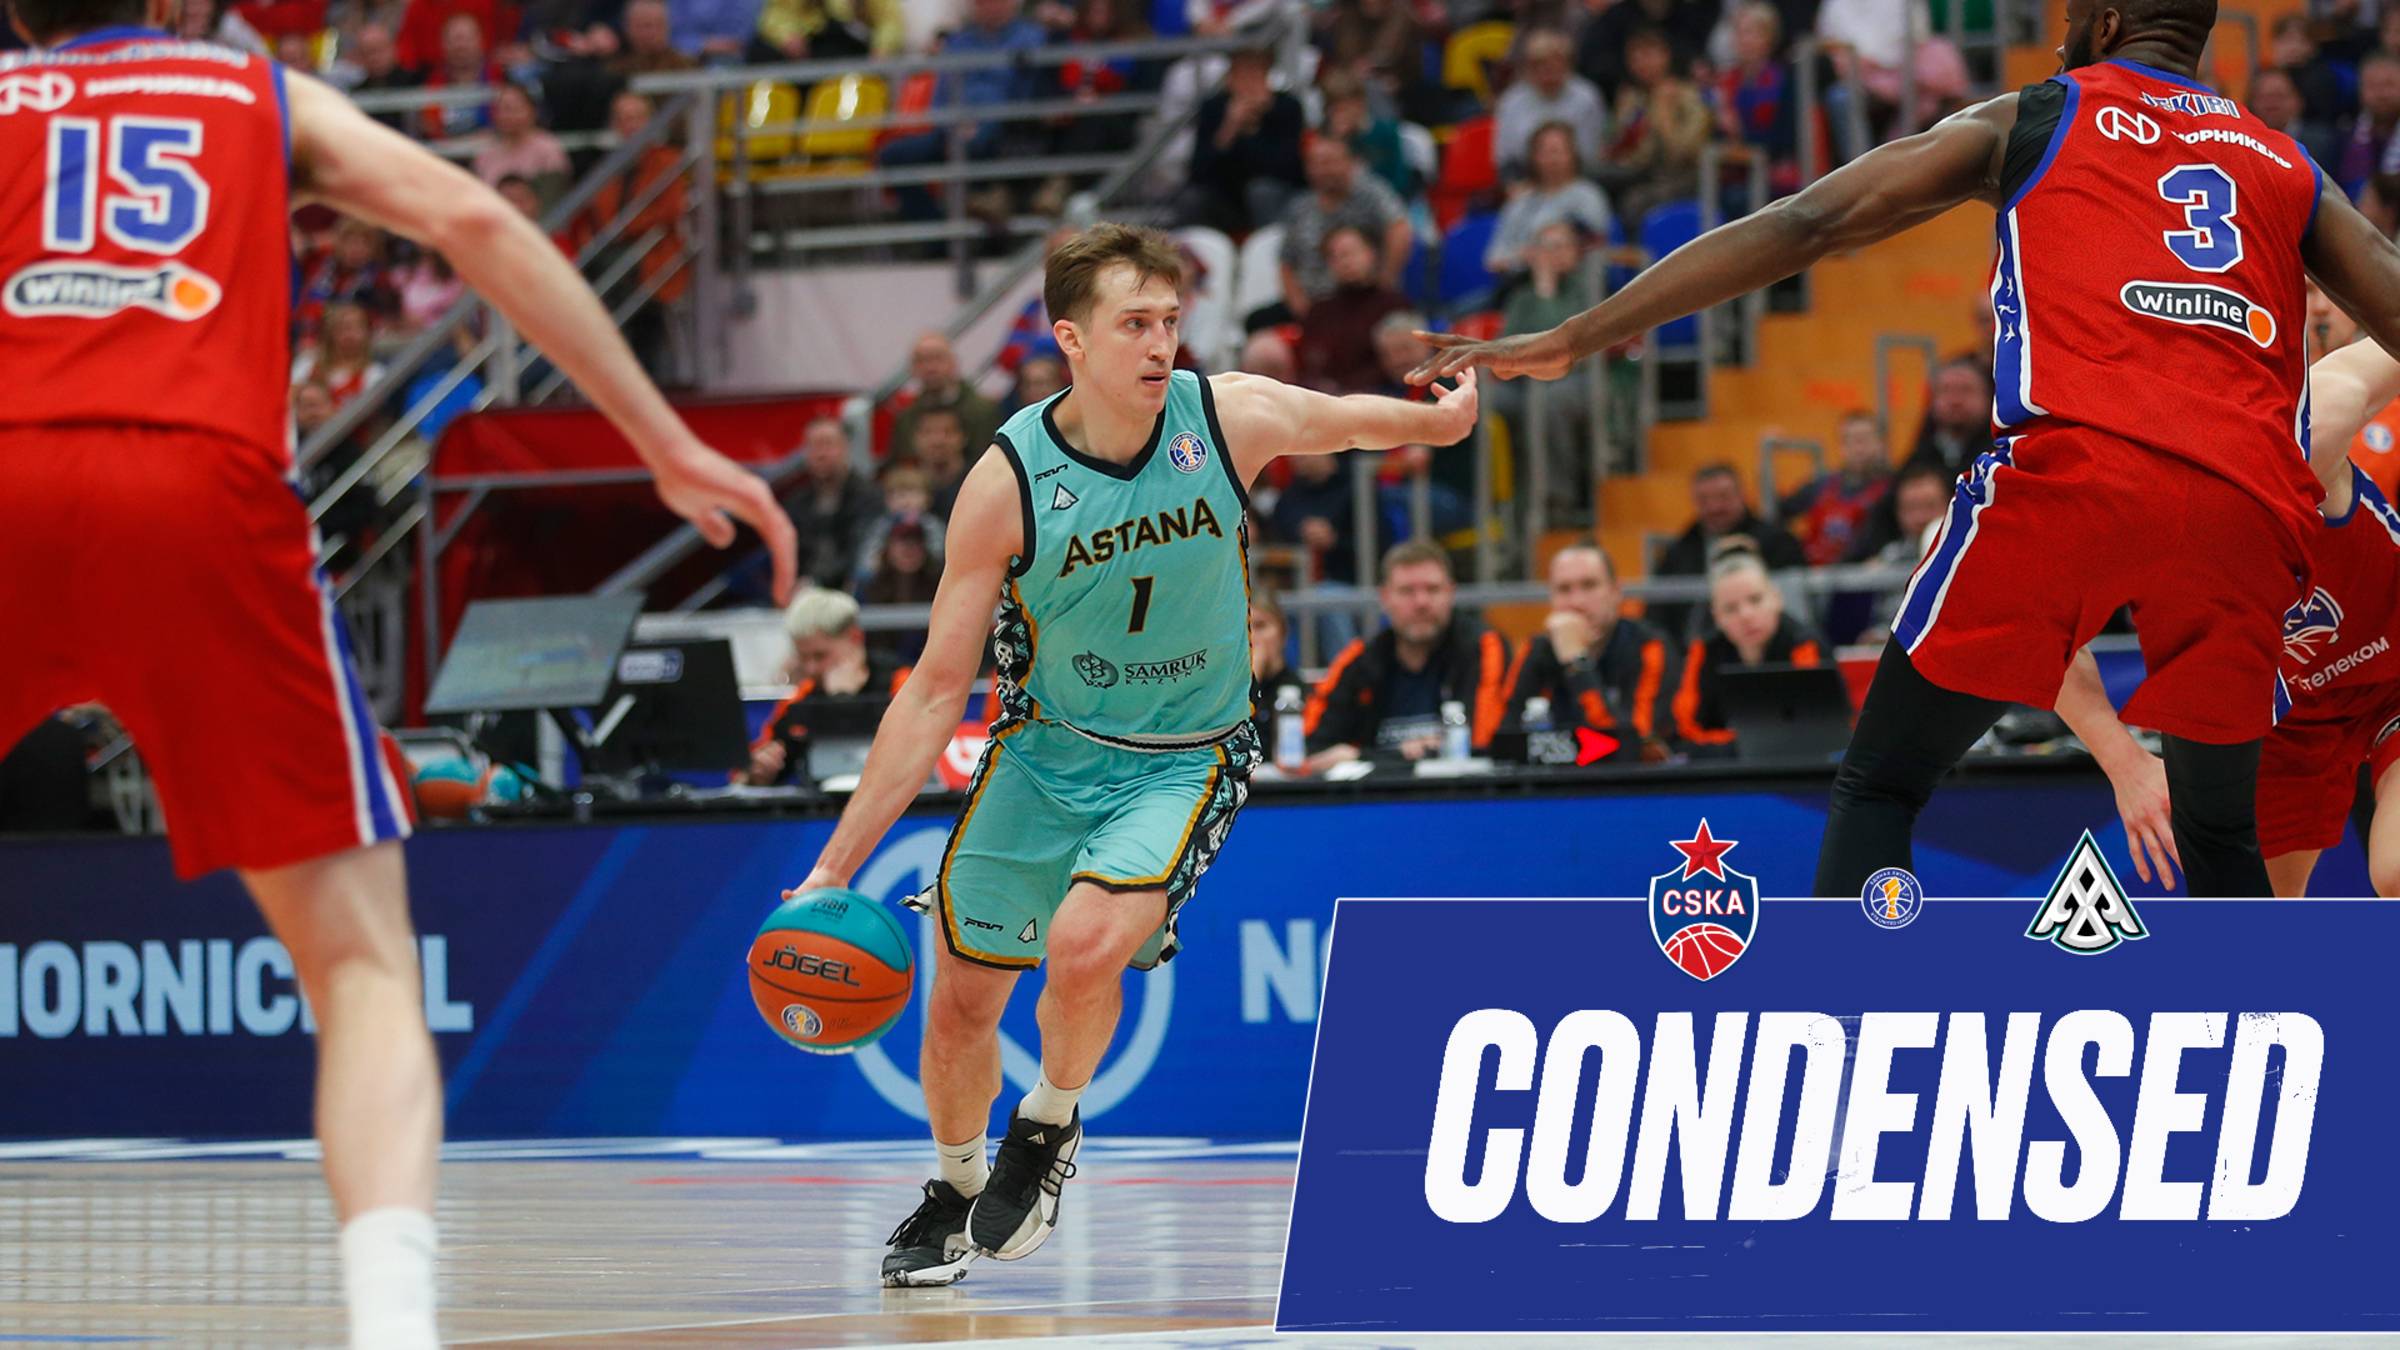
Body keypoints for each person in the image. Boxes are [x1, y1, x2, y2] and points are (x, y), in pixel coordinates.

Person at [0, 6, 797, 1348]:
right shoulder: (256, 90)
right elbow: (475, 220)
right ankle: (390, 1327)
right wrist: (661, 438)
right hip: (198, 484)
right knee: (363, 964)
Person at [1410, 0, 2400, 897]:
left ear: (2103, 25)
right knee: (2221, 832)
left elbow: (1811, 217)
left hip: (2083, 471)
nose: (2059, 38)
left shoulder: (2043, 112)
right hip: (2242, 507)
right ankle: (2263, 1039)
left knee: (1882, 783)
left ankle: (1846, 1013)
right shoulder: (2285, 164)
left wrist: (1578, 334)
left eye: (2068, 20)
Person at [779, 223, 1474, 1287]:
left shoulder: (1223, 416)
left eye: (1170, 322)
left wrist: (1441, 421)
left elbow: (1343, 421)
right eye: (1134, 324)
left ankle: (1049, 1123)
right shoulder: (1006, 481)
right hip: (1043, 751)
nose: (1160, 345)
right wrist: (834, 865)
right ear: (1070, 338)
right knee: (962, 1001)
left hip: (1186, 755)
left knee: (1084, 943)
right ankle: (956, 1191)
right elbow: (930, 693)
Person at [2055, 332, 2400, 897]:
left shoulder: (2309, 431)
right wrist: (2126, 765)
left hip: (2392, 676)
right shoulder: (2120, 510)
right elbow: (2040, 634)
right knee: (2251, 915)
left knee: (2395, 869)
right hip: (2279, 716)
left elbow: (2387, 339)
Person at [1303, 540, 1510, 767]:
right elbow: (1308, 750)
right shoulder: (1359, 659)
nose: (1421, 602)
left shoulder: (1484, 648)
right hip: (1377, 789)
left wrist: (1364, 757)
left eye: (1432, 589)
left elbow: (1484, 743)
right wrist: (1401, 756)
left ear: (1451, 593)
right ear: (1385, 597)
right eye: (1407, 591)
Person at [1505, 545, 1674, 761]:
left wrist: (1577, 662)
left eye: (1589, 585)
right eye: (1564, 589)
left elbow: (1632, 748)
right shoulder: (1536, 650)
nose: (1577, 602)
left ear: (1616, 591)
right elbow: (1502, 741)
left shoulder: (1650, 647)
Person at [744, 588, 912, 787]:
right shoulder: (801, 699)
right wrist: (759, 772)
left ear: (855, 637)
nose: (811, 668)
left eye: (820, 656)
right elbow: (754, 769)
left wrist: (842, 699)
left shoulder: (902, 683)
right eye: (803, 657)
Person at [1671, 549, 1825, 753]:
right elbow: (1684, 731)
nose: (1746, 615)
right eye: (1730, 608)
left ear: (1776, 598)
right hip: (1724, 766)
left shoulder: (1805, 645)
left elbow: (1818, 727)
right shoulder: (1704, 652)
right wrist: (1744, 743)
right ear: (1717, 617)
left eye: (1755, 599)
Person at [1648, 463, 1804, 639]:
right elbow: (1656, 612)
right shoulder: (1679, 551)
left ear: (1742, 495)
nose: (1714, 507)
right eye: (1704, 500)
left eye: (1723, 497)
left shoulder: (1778, 542)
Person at [1483, 121, 1613, 278]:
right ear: (1532, 157)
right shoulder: (1520, 201)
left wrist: (1551, 255)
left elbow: (1595, 247)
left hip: (1577, 282)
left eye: (1557, 151)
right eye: (1544, 152)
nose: (1552, 159)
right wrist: (1524, 258)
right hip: (1520, 282)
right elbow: (1494, 259)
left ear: (1573, 154)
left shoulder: (1589, 196)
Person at [1295, 225, 1410, 393]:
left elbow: (1402, 363)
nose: (1345, 262)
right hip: (1325, 397)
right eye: (1335, 257)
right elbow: (1310, 365)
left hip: (1379, 396)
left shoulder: (1393, 304)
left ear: (1370, 253)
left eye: (1350, 253)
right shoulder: (1319, 312)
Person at [1780, 410, 1895, 565]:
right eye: (1850, 440)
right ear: (1841, 447)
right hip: (1816, 574)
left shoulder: (1894, 489)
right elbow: (1778, 511)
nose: (1858, 448)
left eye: (1864, 439)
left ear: (1881, 443)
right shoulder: (1821, 486)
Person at [781, 415, 882, 591]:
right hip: (804, 592)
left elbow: (862, 552)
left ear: (845, 448)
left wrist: (818, 582)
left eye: (828, 444)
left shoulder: (869, 498)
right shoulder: (796, 502)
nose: (821, 454)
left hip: (854, 590)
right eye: (814, 446)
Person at [1493, 28, 1608, 177]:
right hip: (1523, 177)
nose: (1549, 75)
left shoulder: (1587, 98)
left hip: (1579, 177)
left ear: (1568, 66)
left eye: (1555, 67)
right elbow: (1503, 157)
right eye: (1541, 68)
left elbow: (1591, 153)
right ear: (1529, 69)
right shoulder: (1511, 101)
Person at [889, 332, 1003, 463]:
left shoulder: (983, 411)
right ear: (912, 368)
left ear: (953, 363)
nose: (930, 368)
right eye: (922, 361)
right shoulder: (906, 417)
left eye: (937, 358)